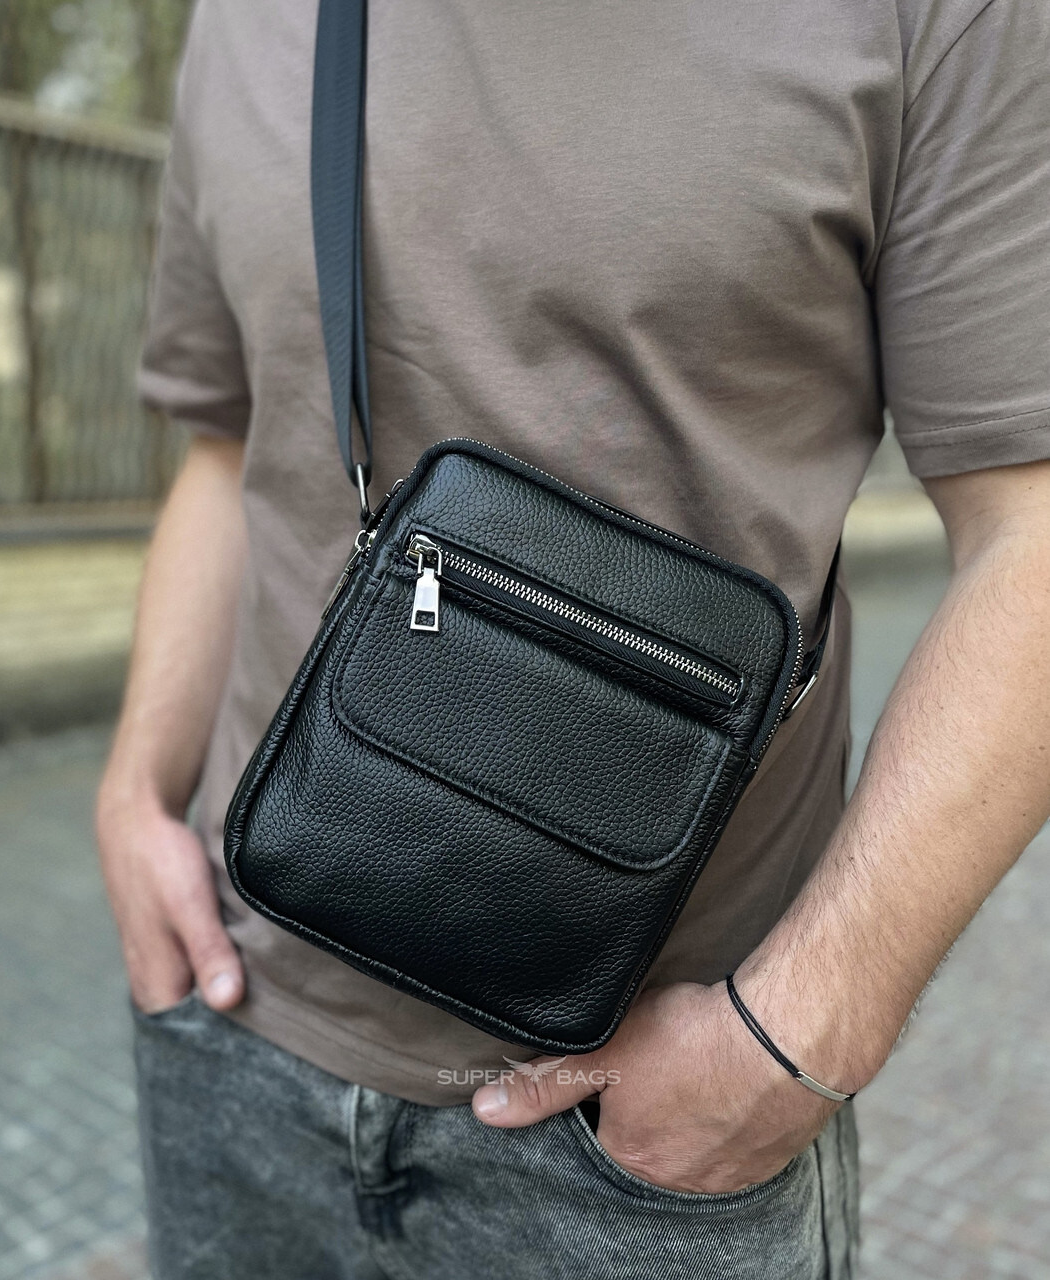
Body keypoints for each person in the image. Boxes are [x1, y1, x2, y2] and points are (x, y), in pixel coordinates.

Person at [95, 1, 1050, 1275]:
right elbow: (228, 446)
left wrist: (800, 1033)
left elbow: (1030, 530)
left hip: (644, 1136)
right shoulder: (247, 19)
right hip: (235, 1031)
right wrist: (132, 795)